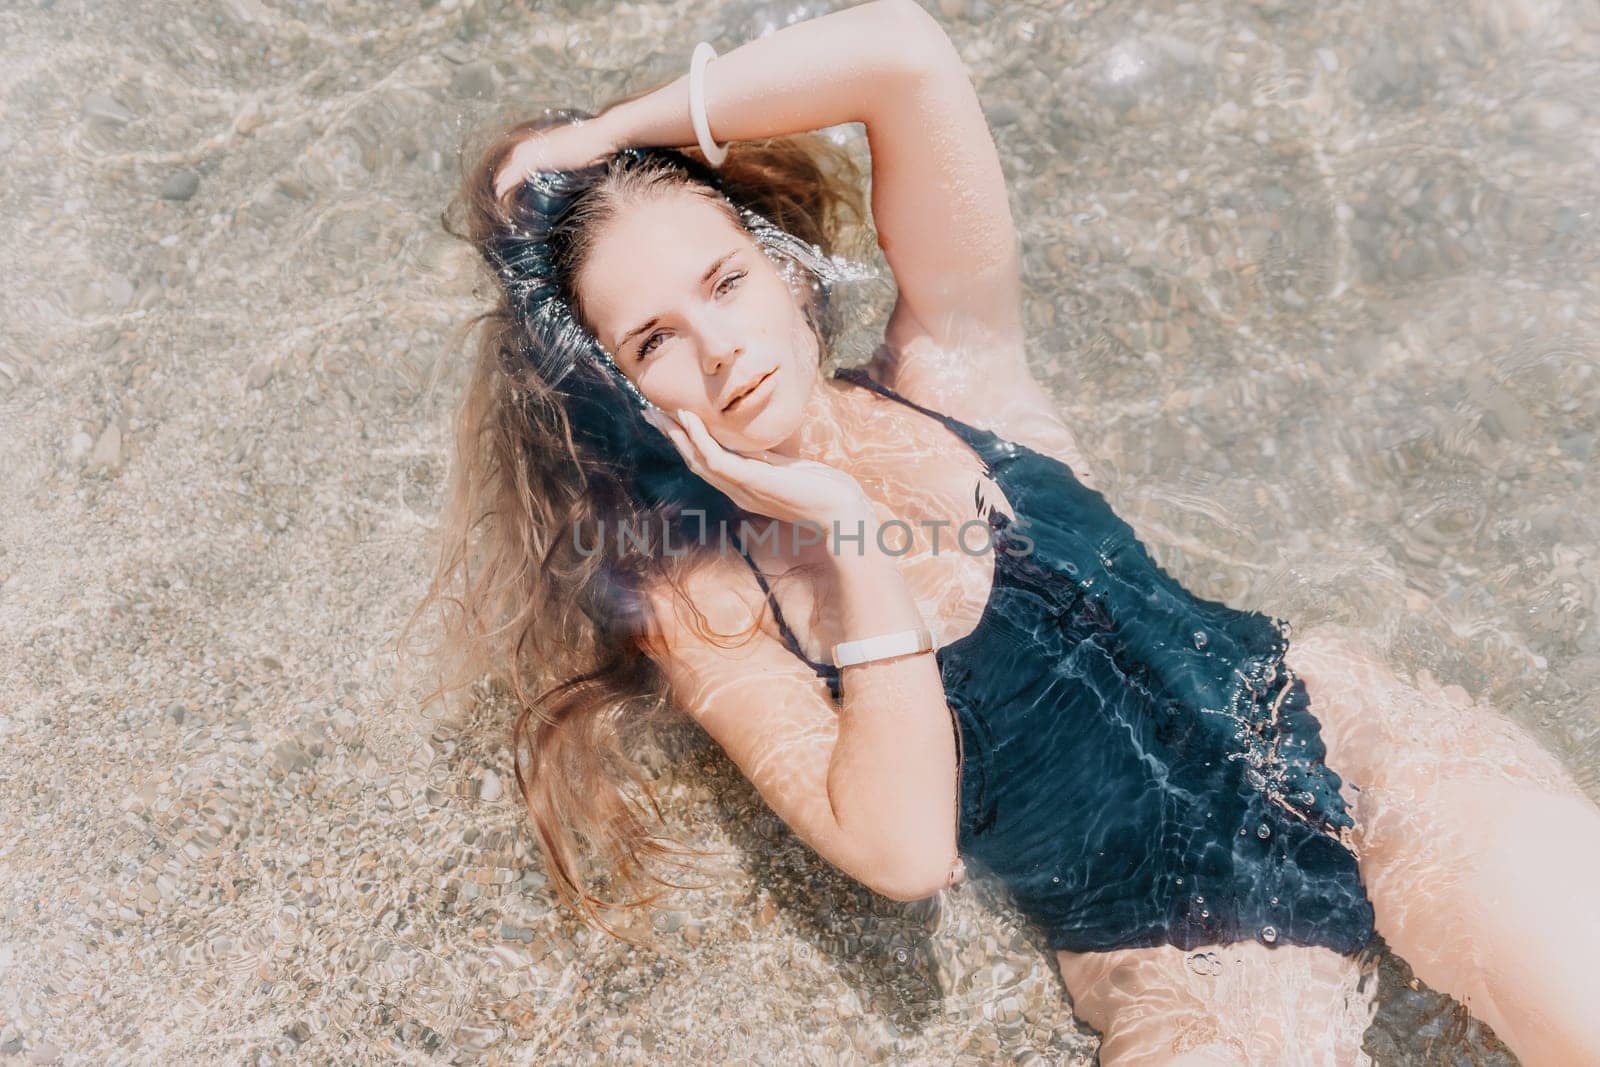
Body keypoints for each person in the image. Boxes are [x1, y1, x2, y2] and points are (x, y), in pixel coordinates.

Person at [410, 1, 1600, 1062]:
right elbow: (901, 850)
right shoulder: (710, 598)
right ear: (617, 388)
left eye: (724, 282)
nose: (718, 345)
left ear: (781, 268)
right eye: (652, 339)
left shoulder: (951, 366)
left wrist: (602, 135)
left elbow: (903, 54)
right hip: (1182, 949)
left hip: (1350, 746)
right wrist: (840, 521)